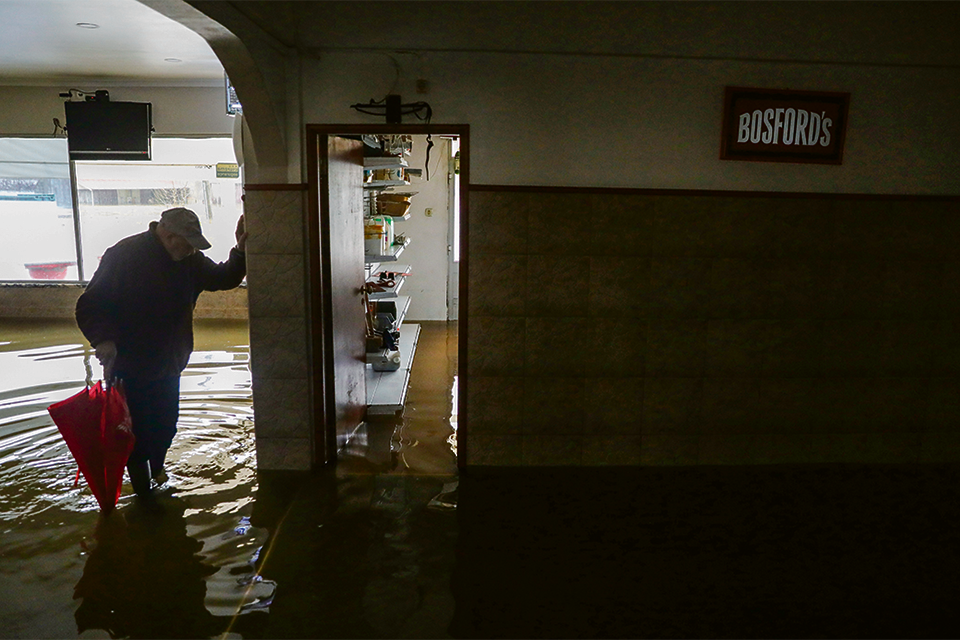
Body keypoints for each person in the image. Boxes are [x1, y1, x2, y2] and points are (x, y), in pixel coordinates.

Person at [76, 207, 248, 498]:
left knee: (166, 426)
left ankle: (158, 473)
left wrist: (241, 251)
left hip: (169, 363)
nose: (193, 249)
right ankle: (145, 497)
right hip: (131, 365)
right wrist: (104, 341)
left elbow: (222, 278)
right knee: (135, 434)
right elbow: (90, 305)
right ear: (168, 235)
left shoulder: (189, 259)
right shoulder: (124, 255)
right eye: (188, 243)